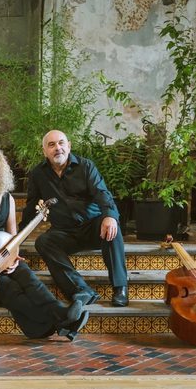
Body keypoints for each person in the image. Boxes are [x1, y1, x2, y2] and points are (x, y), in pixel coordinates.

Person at [0, 142, 88, 340]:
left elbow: (13, 238)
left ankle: (58, 321)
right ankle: (63, 319)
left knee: (29, 278)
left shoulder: (8, 199)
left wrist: (13, 257)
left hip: (3, 257)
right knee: (10, 288)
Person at [21, 130, 129, 307]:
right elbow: (31, 208)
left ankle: (120, 288)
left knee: (111, 226)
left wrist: (110, 216)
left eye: (61, 143)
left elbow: (102, 194)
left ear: (69, 146)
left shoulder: (86, 166)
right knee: (43, 242)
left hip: (93, 227)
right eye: (51, 145)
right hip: (64, 232)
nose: (58, 148)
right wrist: (16, 239)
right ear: (44, 151)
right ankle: (81, 290)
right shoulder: (38, 174)